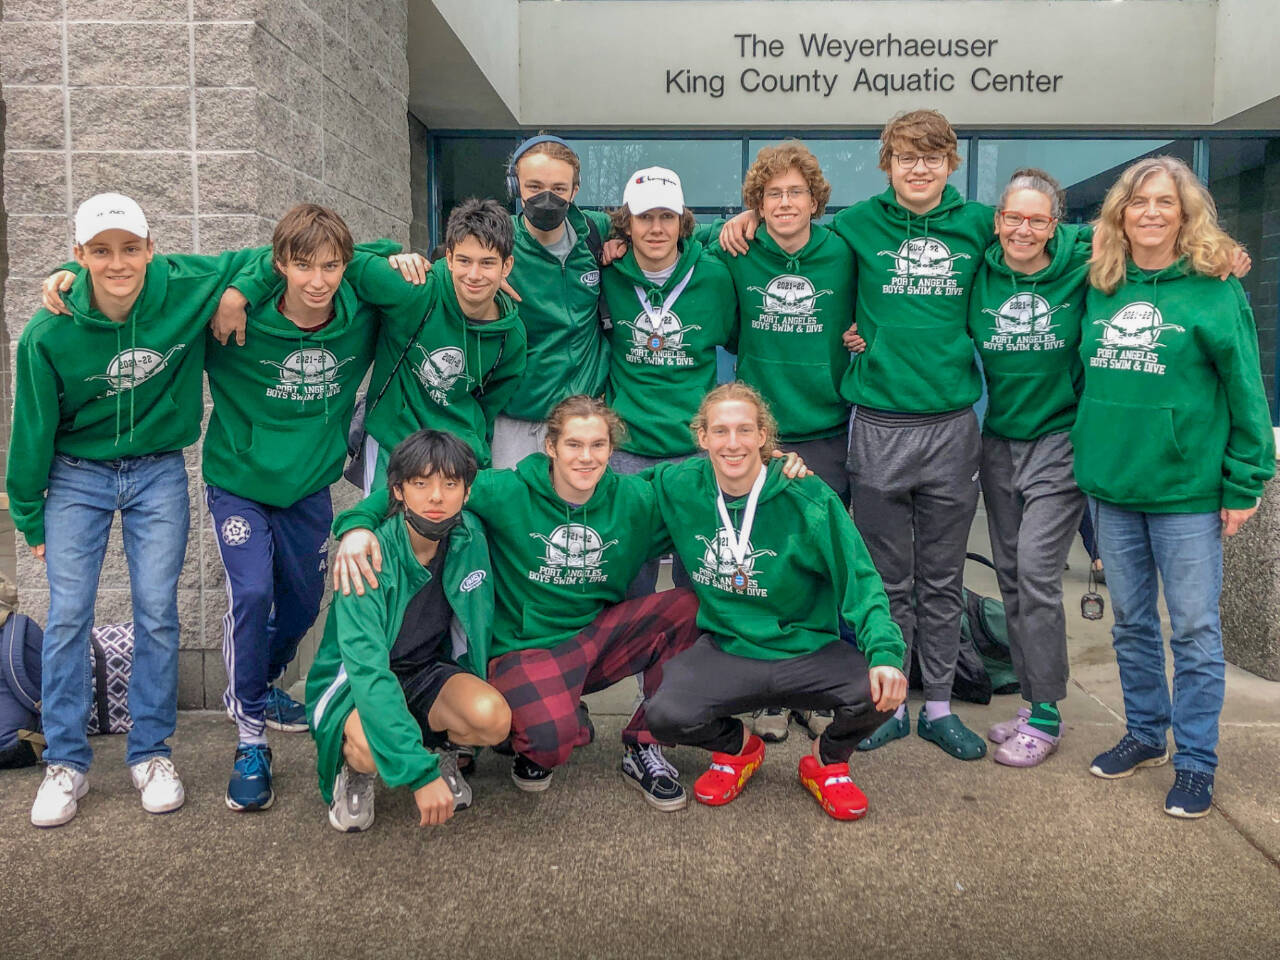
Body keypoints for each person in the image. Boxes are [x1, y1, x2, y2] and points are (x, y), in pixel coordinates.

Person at [723, 110, 993, 759]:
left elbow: (1050, 250)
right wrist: (744, 220)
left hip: (949, 423)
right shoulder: (856, 228)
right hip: (874, 422)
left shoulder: (978, 225)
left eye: (931, 156)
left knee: (942, 575)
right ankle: (888, 705)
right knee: (881, 576)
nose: (919, 167)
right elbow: (761, 233)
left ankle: (940, 707)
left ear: (950, 162)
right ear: (888, 164)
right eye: (906, 156)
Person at [9, 193, 260, 827]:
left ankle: (150, 753)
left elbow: (274, 256)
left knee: (156, 610)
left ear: (152, 249)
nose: (116, 263)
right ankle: (66, 763)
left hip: (156, 471)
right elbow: (31, 427)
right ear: (78, 256)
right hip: (74, 476)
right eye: (100, 251)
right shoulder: (49, 329)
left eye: (129, 248)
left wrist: (235, 294)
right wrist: (29, 510)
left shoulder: (184, 285)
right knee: (68, 614)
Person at [330, 396, 704, 810]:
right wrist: (356, 525)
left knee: (685, 607)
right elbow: (429, 487)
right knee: (549, 741)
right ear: (551, 447)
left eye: (597, 445)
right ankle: (536, 733)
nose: (586, 457)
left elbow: (705, 485)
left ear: (611, 451)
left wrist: (773, 466)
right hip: (527, 647)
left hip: (592, 638)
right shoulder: (507, 490)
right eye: (574, 445)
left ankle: (644, 746)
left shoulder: (635, 499)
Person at [1076, 156, 1274, 818]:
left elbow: (1247, 394)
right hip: (1113, 488)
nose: (1151, 213)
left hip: (1187, 495)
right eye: (1138, 202)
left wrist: (1246, 482)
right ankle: (1144, 733)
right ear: (1120, 214)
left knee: (1192, 630)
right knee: (1131, 623)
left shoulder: (1215, 291)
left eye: (1165, 202)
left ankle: (1195, 761)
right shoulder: (1101, 283)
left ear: (1186, 215)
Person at [645, 383, 907, 820]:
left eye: (745, 430)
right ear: (702, 437)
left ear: (763, 436)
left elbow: (860, 579)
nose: (733, 443)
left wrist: (884, 653)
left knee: (881, 690)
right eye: (721, 431)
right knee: (666, 713)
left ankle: (827, 760)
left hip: (805, 649)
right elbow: (611, 499)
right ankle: (738, 750)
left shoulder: (807, 496)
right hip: (729, 647)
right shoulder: (678, 485)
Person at [200, 205, 388, 811]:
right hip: (240, 481)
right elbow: (175, 274)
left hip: (308, 487)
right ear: (278, 264)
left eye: (330, 265)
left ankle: (255, 684)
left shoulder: (359, 313)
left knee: (306, 601)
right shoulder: (238, 316)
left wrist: (412, 258)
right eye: (301, 265)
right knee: (253, 593)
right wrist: (236, 289)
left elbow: (383, 252)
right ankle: (250, 738)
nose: (318, 279)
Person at [706, 141, 856, 743]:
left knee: (818, 565)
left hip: (827, 429)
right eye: (772, 195)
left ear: (815, 199)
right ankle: (768, 694)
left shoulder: (844, 251)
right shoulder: (739, 250)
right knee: (762, 560)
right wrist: (732, 222)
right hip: (761, 437)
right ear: (757, 205)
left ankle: (813, 688)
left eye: (796, 192)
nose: (786, 203)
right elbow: (665, 242)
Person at [308, 430, 509, 833]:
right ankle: (356, 773)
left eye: (450, 484)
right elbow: (367, 669)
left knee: (493, 718)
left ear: (467, 492)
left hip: (426, 670)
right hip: (357, 681)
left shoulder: (470, 535)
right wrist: (419, 776)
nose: (436, 496)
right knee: (368, 747)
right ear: (398, 490)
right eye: (421, 483)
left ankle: (441, 750)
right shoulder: (366, 555)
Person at [966, 170, 1092, 766]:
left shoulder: (1084, 262)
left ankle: (1046, 713)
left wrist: (1217, 256)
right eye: (1014, 217)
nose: (1024, 229)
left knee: (1038, 575)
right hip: (999, 443)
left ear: (1055, 223)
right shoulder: (977, 271)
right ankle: (1033, 697)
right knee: (1012, 579)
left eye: (1037, 219)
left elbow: (1159, 243)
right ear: (997, 221)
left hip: (1060, 441)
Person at [600, 166, 737, 594]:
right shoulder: (608, 274)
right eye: (644, 218)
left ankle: (688, 662)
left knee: (697, 576)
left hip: (693, 449)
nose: (656, 228)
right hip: (628, 446)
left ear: (683, 221)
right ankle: (628, 662)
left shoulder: (714, 277)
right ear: (627, 223)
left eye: (666, 216)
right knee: (628, 573)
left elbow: (738, 340)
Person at [490, 135, 612, 467]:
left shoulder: (595, 232)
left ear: (575, 191)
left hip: (580, 422)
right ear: (515, 186)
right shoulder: (497, 245)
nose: (547, 198)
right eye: (534, 186)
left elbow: (670, 233)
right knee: (512, 515)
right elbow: (445, 271)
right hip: (516, 418)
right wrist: (405, 261)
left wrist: (743, 220)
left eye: (559, 189)